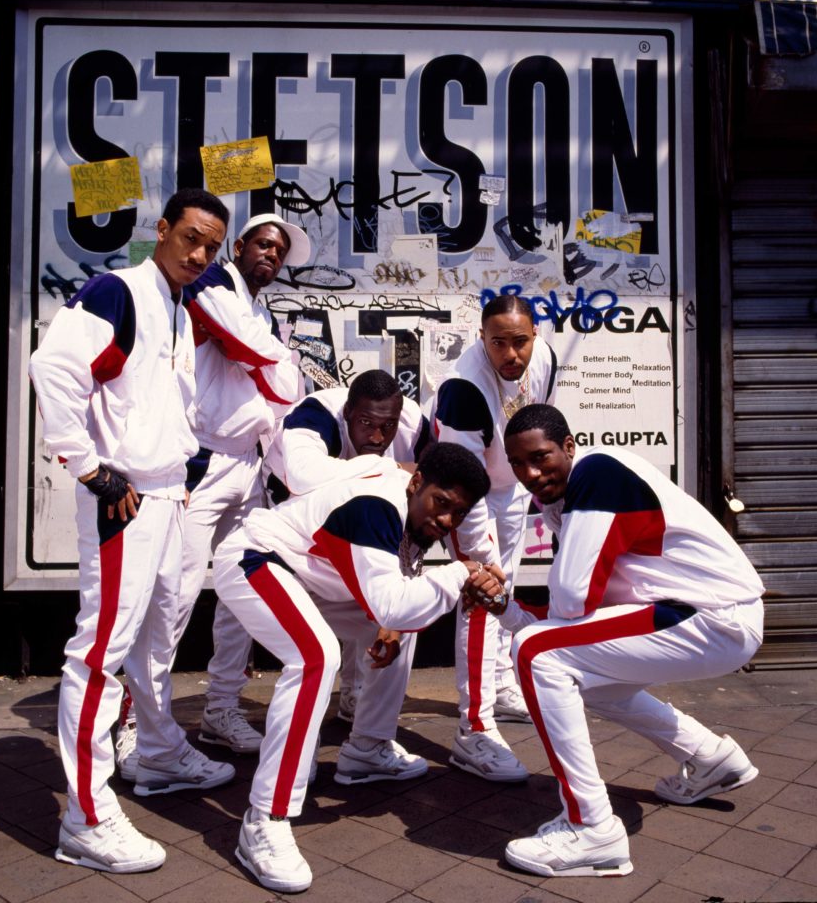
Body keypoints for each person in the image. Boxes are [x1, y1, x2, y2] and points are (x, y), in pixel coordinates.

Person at [29, 188, 236, 874]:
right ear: (163, 229)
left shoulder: (178, 305)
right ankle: (86, 817)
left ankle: (156, 753)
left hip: (169, 493)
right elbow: (53, 369)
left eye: (211, 246)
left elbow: (157, 403)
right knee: (100, 651)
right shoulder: (118, 290)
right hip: (127, 498)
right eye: (191, 238)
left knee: (158, 635)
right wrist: (91, 470)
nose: (200, 254)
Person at [468, 403, 764, 878]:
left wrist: (528, 619)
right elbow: (584, 611)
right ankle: (710, 758)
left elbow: (573, 598)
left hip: (711, 616)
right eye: (519, 464)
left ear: (569, 447)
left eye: (541, 457)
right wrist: (505, 606)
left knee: (538, 654)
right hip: (703, 615)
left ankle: (592, 830)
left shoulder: (598, 472)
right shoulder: (567, 498)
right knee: (592, 680)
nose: (530, 473)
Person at [212, 442, 491, 893]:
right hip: (259, 558)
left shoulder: (408, 506)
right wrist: (460, 573)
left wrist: (395, 621)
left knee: (400, 630)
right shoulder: (378, 506)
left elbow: (396, 602)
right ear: (417, 482)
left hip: (320, 578)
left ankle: (367, 748)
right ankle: (265, 818)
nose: (444, 522)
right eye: (441, 504)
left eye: (456, 515)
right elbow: (391, 601)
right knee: (315, 657)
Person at [114, 212, 310, 777]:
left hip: (245, 465)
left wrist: (273, 366)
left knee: (242, 593)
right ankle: (138, 730)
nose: (271, 255)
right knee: (171, 599)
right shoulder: (210, 283)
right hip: (200, 460)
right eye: (264, 244)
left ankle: (220, 709)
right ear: (242, 246)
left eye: (280, 251)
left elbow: (280, 388)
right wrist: (273, 362)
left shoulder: (260, 306)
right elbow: (268, 366)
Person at [263, 369, 432, 770]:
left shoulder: (412, 423)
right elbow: (305, 476)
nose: (377, 436)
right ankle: (222, 708)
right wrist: (390, 469)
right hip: (283, 550)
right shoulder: (316, 413)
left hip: (341, 545)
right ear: (347, 412)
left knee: (399, 621)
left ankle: (368, 745)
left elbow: (428, 498)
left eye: (387, 426)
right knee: (311, 652)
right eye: (366, 424)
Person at [427, 294, 557, 781]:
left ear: (535, 336)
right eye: (498, 343)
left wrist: (532, 492)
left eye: (519, 342)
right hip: (464, 489)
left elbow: (536, 424)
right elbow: (459, 480)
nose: (511, 355)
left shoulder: (544, 356)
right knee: (484, 595)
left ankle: (502, 686)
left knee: (510, 589)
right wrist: (481, 555)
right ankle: (473, 728)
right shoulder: (463, 387)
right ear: (482, 338)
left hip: (509, 487)